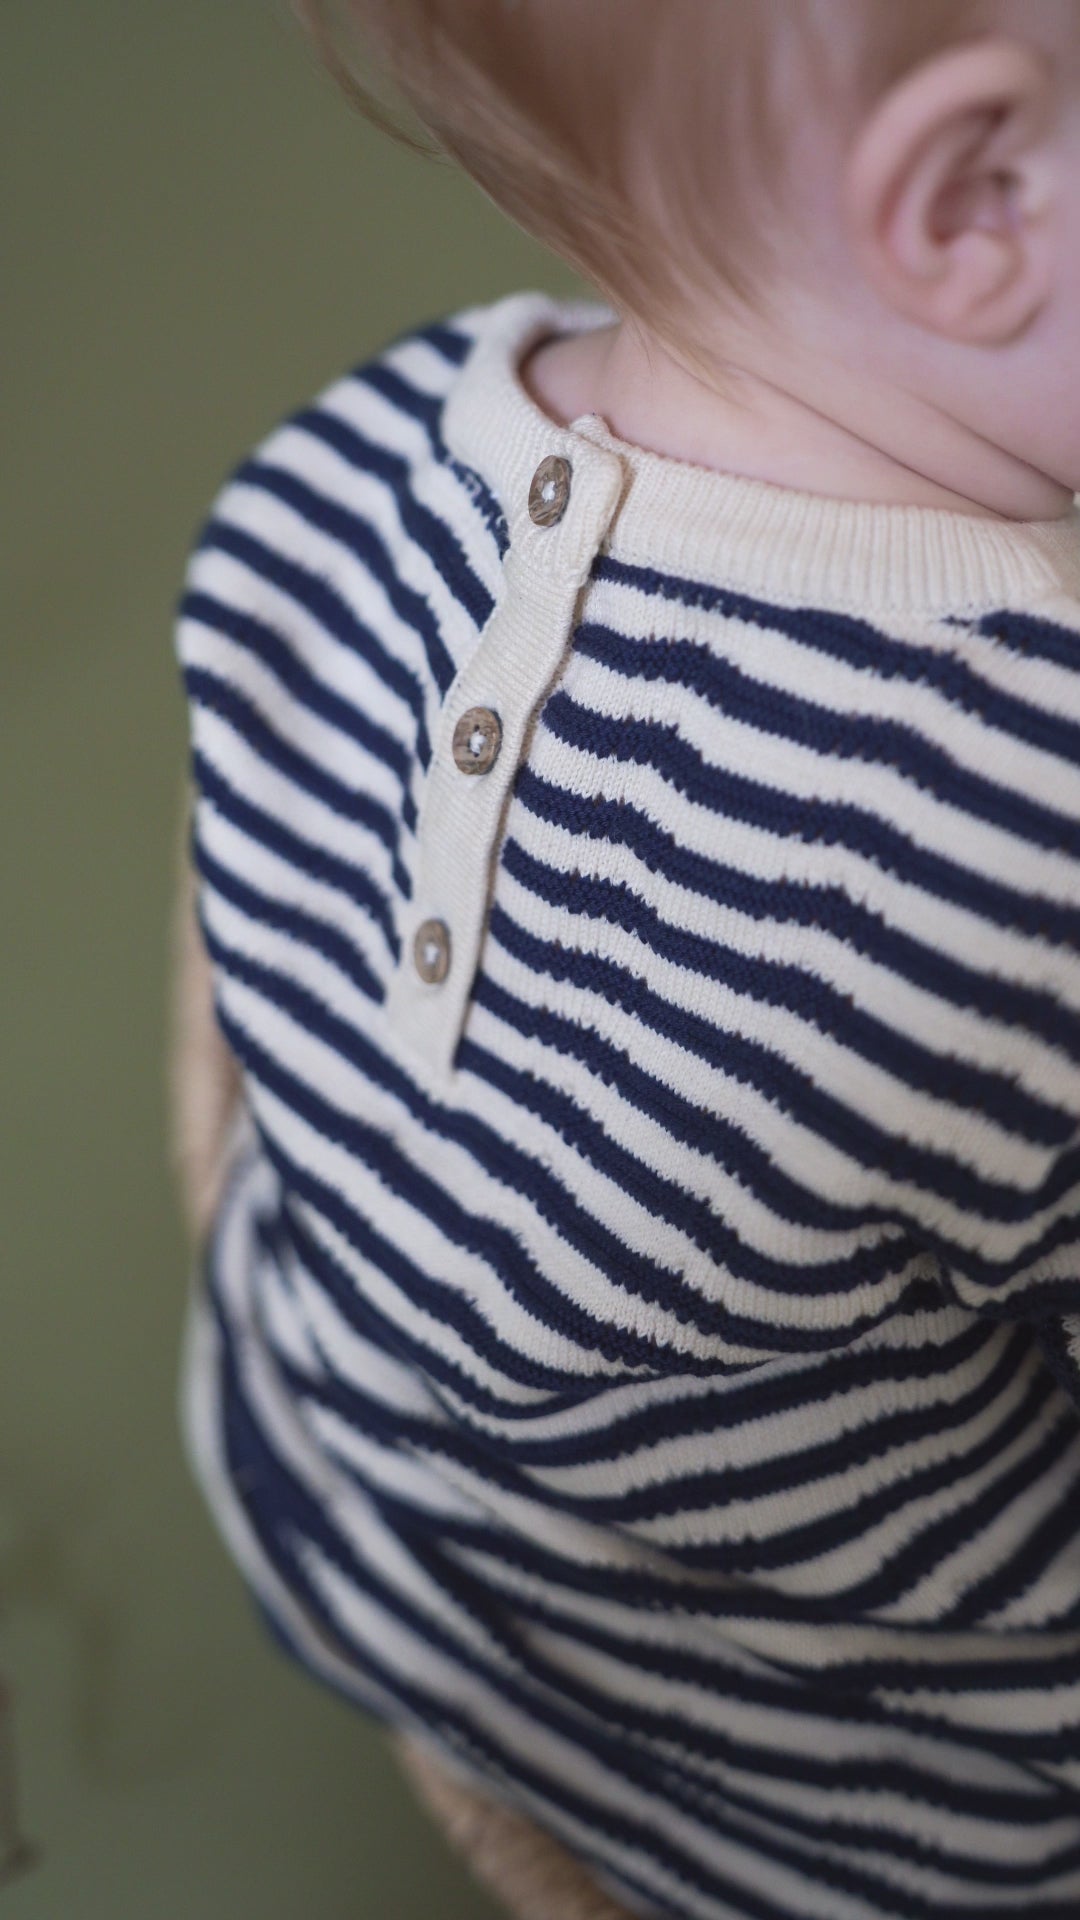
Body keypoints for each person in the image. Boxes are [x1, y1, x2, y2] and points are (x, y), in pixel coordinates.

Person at [171, 3, 1080, 1914]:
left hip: (347, 1509)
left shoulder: (340, 454)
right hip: (849, 1802)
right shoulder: (1018, 835)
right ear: (978, 196)